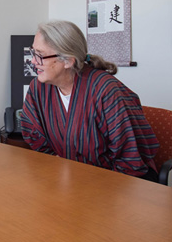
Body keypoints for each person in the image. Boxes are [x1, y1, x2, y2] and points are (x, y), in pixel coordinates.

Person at [20, 20, 159, 181]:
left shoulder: (107, 91)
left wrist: (86, 181)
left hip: (117, 182)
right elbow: (34, 135)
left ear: (68, 61)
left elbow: (129, 157)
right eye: (33, 52)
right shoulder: (38, 89)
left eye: (40, 55)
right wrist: (56, 166)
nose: (33, 61)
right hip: (68, 179)